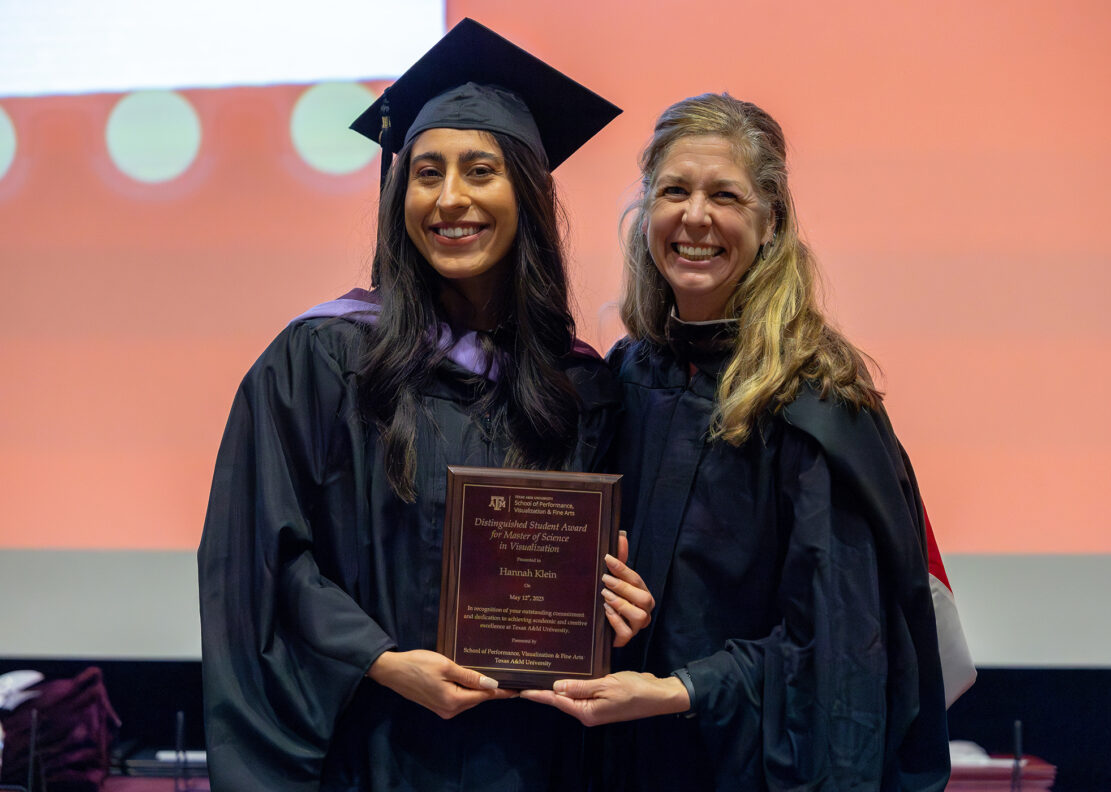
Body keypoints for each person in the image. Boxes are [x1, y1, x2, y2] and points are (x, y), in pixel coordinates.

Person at [197, 19, 653, 791]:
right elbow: (258, 558)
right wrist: (377, 660)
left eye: (481, 170)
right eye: (426, 172)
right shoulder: (324, 359)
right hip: (370, 752)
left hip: (529, 757)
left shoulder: (580, 387)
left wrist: (619, 599)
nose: (450, 200)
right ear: (398, 192)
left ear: (528, 193)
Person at [521, 93, 951, 790]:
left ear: (770, 221)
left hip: (748, 768)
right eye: (674, 191)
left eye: (726, 195)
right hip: (623, 758)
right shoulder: (629, 378)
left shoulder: (814, 401)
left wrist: (680, 689)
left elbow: (837, 652)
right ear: (647, 212)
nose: (695, 218)